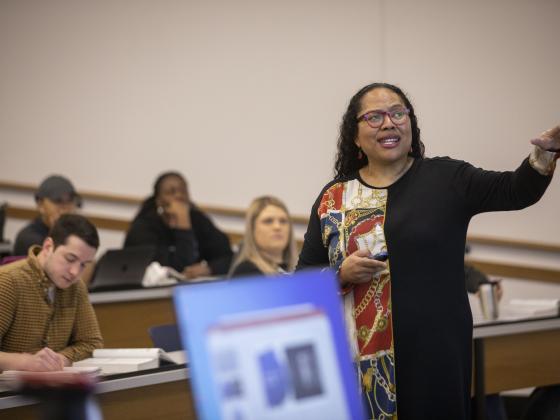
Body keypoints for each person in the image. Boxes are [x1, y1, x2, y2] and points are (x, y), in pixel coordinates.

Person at [296, 82, 559, 420]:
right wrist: (341, 274)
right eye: (374, 117)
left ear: (410, 123)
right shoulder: (334, 198)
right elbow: (304, 278)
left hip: (438, 353)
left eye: (397, 113)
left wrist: (545, 154)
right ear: (355, 136)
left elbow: (515, 190)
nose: (389, 123)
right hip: (360, 362)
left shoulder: (446, 178)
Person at [0, 214, 103, 372]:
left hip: (53, 389)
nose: (75, 272)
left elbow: (92, 344)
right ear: (48, 247)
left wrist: (61, 359)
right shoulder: (8, 281)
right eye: (70, 259)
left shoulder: (76, 287)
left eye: (84, 265)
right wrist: (24, 362)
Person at [124, 171, 233, 278]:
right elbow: (177, 268)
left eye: (183, 191)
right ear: (158, 201)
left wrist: (210, 269)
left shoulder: (197, 219)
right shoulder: (144, 227)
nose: (179, 196)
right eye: (171, 192)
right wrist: (183, 223)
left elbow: (229, 257)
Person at [228, 196, 297, 277]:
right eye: (268, 221)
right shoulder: (246, 272)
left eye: (283, 221)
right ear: (252, 229)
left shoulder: (300, 270)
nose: (277, 227)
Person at [13, 175, 81, 256]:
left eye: (70, 200)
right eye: (58, 201)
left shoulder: (75, 231)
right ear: (40, 205)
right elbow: (54, 266)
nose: (65, 208)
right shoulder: (28, 238)